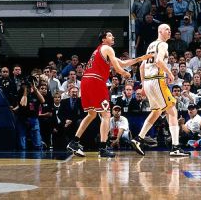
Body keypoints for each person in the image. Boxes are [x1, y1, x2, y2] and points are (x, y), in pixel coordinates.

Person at [66, 30, 150, 158]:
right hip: (96, 81)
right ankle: (103, 148)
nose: (113, 37)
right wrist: (125, 74)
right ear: (103, 39)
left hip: (86, 81)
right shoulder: (108, 48)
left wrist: (140, 59)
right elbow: (118, 68)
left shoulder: (100, 50)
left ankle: (74, 142)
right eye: (110, 35)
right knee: (106, 114)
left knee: (91, 114)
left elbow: (122, 63)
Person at [131, 24, 190, 157]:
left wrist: (143, 85)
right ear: (160, 31)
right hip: (157, 80)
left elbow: (141, 67)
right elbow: (158, 61)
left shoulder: (150, 46)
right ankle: (175, 147)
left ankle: (138, 139)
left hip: (148, 81)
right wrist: (170, 73)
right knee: (172, 111)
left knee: (157, 111)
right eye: (167, 29)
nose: (169, 31)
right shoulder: (163, 44)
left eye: (170, 29)